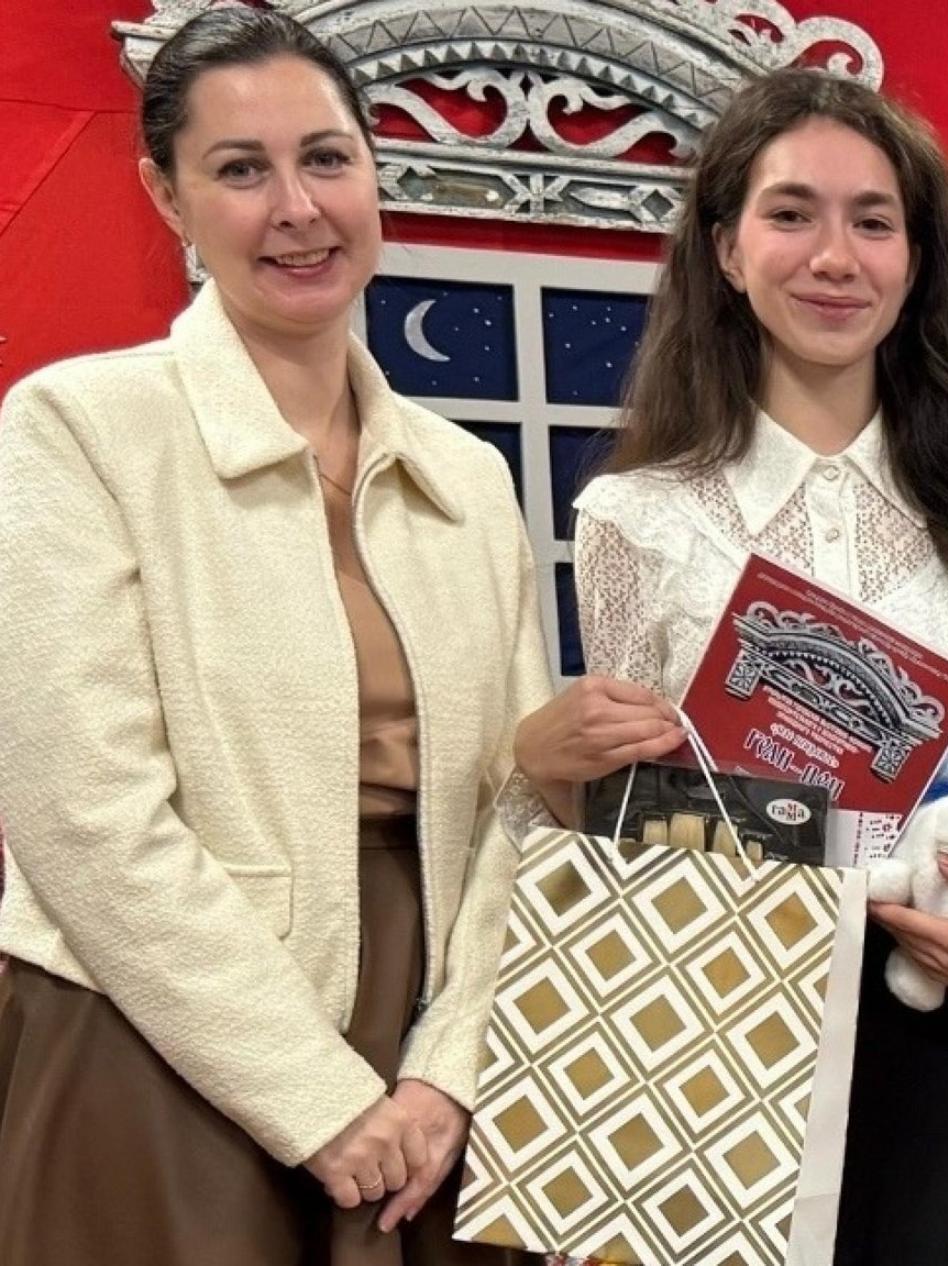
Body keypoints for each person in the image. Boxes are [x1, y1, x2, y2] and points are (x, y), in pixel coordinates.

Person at [508, 68, 948, 1265]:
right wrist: (546, 762)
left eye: (872, 221)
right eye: (790, 214)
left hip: (935, 1026)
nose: (834, 256)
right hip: (705, 1021)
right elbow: (620, 822)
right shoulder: (635, 518)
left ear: (915, 260)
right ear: (725, 249)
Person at [0, 10, 550, 1263]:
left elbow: (521, 797)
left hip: (429, 1046)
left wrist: (453, 1065)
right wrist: (312, 1095)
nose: (297, 209)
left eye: (326, 158)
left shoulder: (468, 478)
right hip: (153, 1024)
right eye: (240, 169)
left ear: (374, 173)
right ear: (168, 197)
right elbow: (82, 810)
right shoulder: (79, 427)